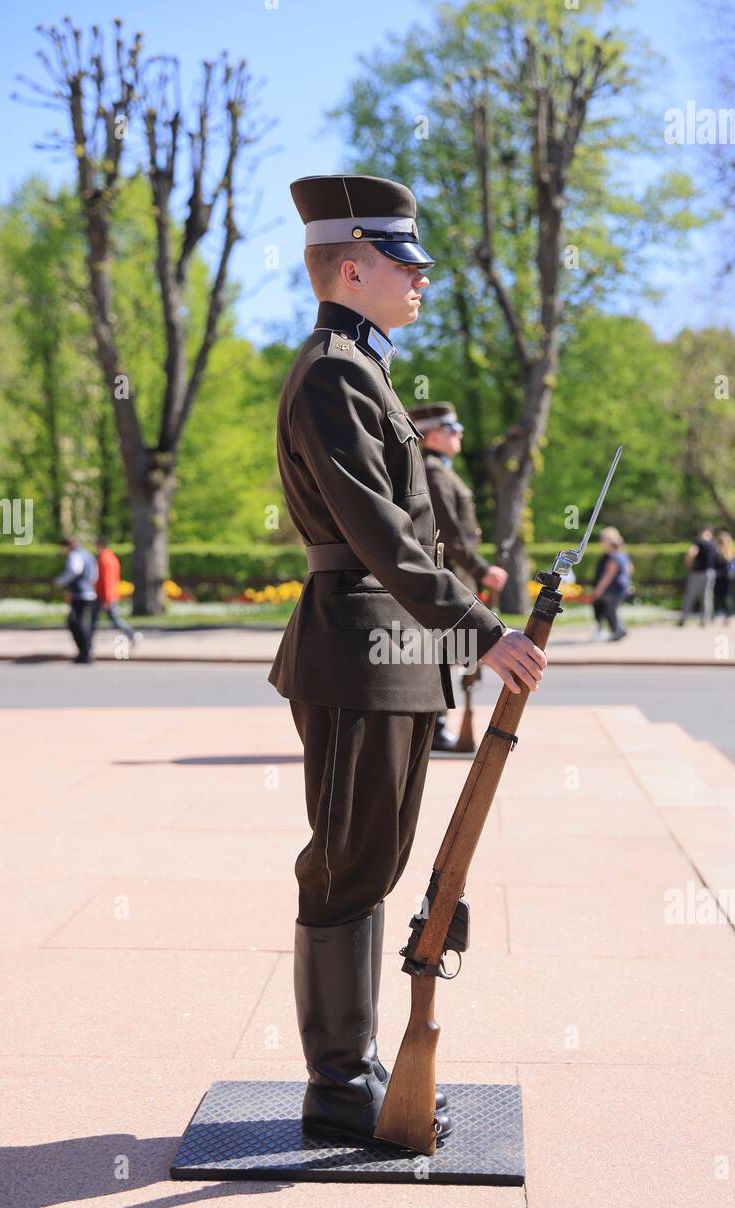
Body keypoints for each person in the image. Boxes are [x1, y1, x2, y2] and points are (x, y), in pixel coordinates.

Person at [266, 173, 546, 1149]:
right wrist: (482, 628)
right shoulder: (334, 371)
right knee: (347, 862)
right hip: (358, 643)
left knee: (372, 859)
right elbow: (380, 530)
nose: (419, 278)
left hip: (383, 647)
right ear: (353, 267)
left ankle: (359, 1063)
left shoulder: (361, 368)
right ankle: (339, 1083)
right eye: (403, 262)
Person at [407, 400, 507, 751]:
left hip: (455, 577)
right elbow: (448, 531)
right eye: (452, 428)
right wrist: (482, 569)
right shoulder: (434, 473)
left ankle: (437, 727)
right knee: (442, 655)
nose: (460, 433)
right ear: (431, 434)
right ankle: (435, 730)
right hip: (447, 577)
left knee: (447, 656)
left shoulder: (441, 470)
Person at [53, 537, 99, 663]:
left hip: (80, 594)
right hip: (89, 592)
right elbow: (95, 574)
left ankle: (85, 652)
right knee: (81, 622)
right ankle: (86, 650)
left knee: (76, 623)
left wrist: (60, 582)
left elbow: (74, 570)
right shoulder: (88, 554)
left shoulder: (75, 555)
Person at [93, 538, 143, 648]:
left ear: (100, 546)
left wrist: (107, 598)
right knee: (100, 619)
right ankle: (89, 642)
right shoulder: (111, 557)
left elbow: (107, 580)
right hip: (108, 594)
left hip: (104, 595)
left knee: (107, 619)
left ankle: (131, 634)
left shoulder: (104, 559)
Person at [589, 526, 632, 640]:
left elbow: (608, 575)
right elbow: (629, 569)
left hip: (613, 588)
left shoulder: (612, 557)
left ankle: (617, 631)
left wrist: (599, 589)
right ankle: (620, 629)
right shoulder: (622, 554)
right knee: (611, 609)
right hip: (620, 587)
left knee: (610, 610)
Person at [678, 525, 716, 626]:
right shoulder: (713, 543)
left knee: (690, 596)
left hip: (697, 572)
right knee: (706, 596)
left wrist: (689, 566)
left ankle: (683, 618)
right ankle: (704, 619)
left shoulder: (698, 542)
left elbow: (691, 554)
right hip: (710, 572)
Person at [713, 530, 735, 620]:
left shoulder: (718, 552)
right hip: (729, 576)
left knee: (720, 596)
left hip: (721, 577)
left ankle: (721, 613)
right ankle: (728, 613)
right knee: (727, 596)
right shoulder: (732, 551)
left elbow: (715, 565)